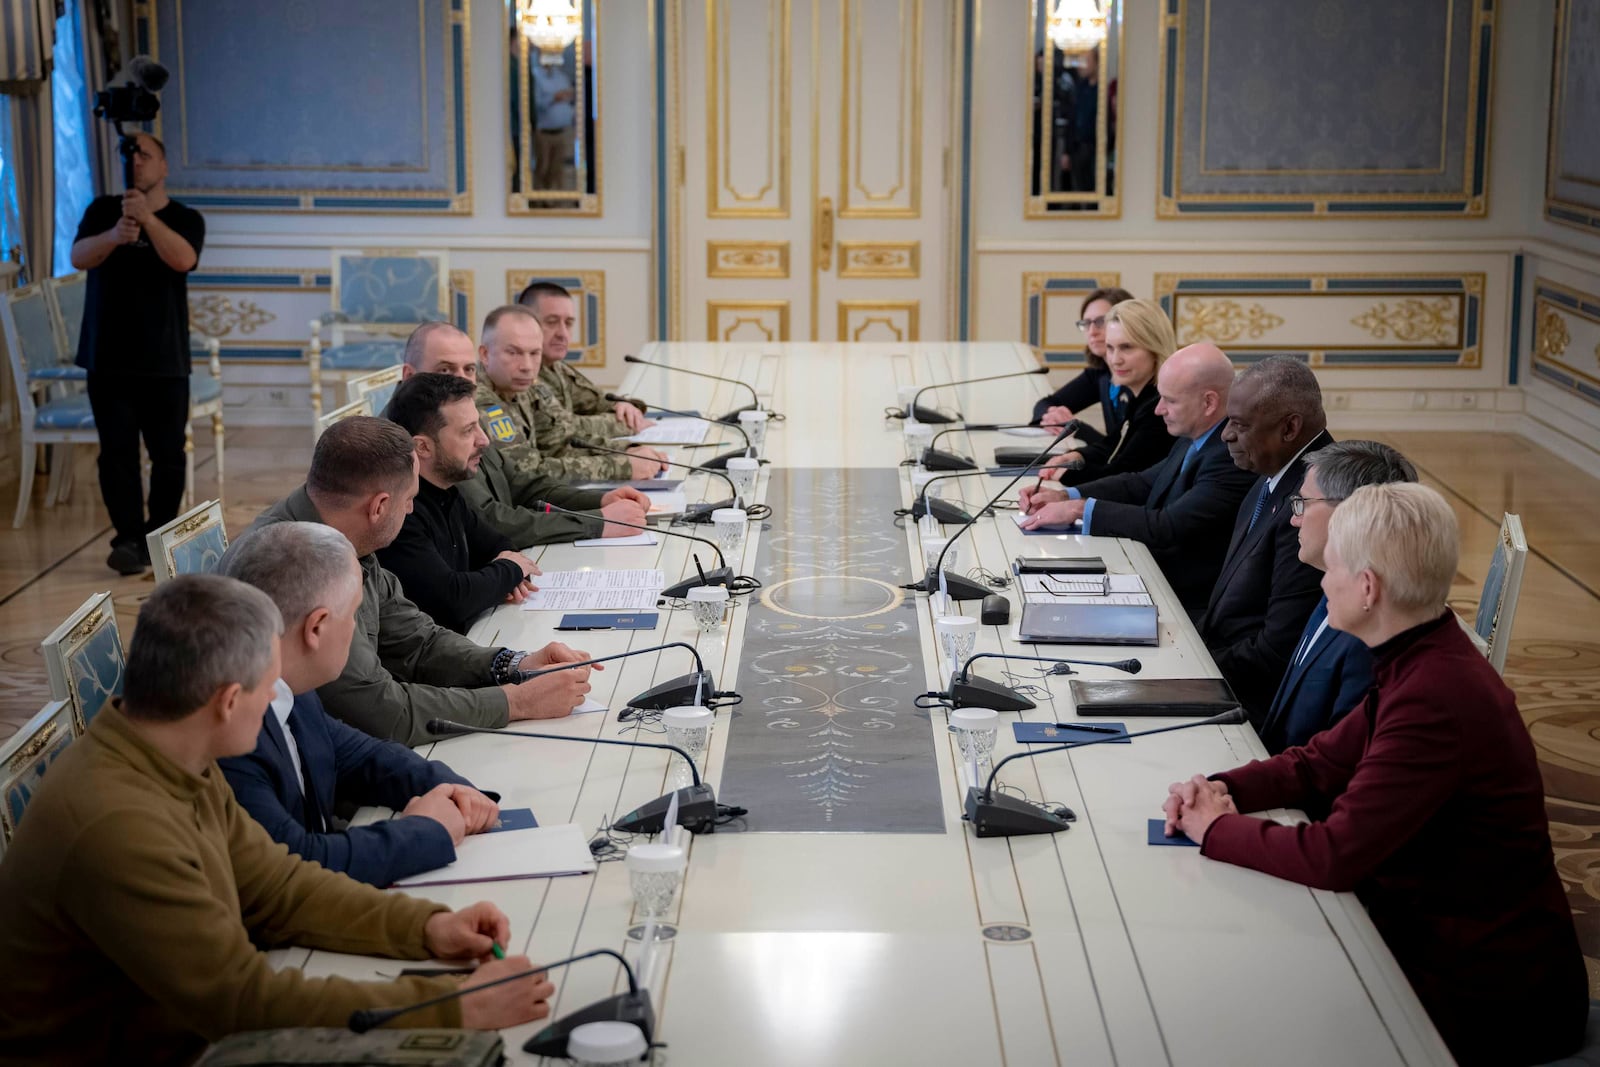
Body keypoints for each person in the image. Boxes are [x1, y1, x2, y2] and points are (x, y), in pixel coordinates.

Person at [0, 575, 555, 1065]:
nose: (279, 698)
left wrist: (425, 927)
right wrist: (451, 1007)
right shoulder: (119, 826)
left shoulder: (171, 751)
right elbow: (240, 1002)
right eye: (270, 686)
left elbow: (277, 885)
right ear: (227, 701)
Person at [1162, 484, 1587, 1066]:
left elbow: (1334, 856)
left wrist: (1214, 830)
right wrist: (1223, 788)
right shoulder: (1422, 654)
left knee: (1243, 1008)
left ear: (1367, 588)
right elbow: (1318, 762)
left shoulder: (1435, 696)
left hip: (1485, 990)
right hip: (1434, 940)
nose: (1320, 581)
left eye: (1331, 567)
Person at [242, 417, 597, 746]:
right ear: (379, 506)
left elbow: (416, 639)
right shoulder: (299, 564)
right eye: (410, 499)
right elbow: (380, 710)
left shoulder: (345, 526)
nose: (412, 511)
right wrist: (515, 702)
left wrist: (512, 665)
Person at [219, 522, 502, 887]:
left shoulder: (289, 681)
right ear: (316, 628)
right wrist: (424, 831)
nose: (356, 627)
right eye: (352, 614)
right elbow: (299, 862)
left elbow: (354, 754)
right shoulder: (232, 729)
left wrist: (451, 789)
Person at [1019, 343, 1256, 613]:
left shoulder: (1230, 454)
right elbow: (1142, 482)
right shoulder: (1198, 435)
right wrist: (1065, 495)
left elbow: (1169, 526)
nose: (1159, 410)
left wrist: (1079, 509)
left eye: (1170, 400)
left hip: (1185, 602)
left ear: (1209, 402)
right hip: (1154, 576)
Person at [68, 133, 205, 576]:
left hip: (165, 359)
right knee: (117, 454)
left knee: (168, 455)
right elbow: (78, 256)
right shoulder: (102, 210)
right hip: (107, 357)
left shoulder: (185, 217)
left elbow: (183, 259)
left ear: (164, 166)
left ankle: (158, 536)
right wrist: (114, 233)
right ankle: (127, 539)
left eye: (146, 155)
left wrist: (147, 220)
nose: (137, 162)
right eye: (130, 155)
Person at [401, 322, 651, 546]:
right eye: (445, 370)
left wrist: (600, 500)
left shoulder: (464, 419)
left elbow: (524, 484)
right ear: (409, 375)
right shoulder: (415, 438)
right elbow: (490, 520)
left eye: (469, 370)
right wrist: (598, 522)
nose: (461, 383)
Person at [1257, 441, 1417, 753]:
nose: (1294, 519)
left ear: (1349, 512)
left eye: (1303, 503)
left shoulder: (1369, 633)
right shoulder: (1334, 585)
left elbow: (1336, 761)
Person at [1198, 356, 1332, 719]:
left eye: (1239, 425)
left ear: (1289, 428)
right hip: (1223, 662)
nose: (1225, 434)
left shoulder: (1312, 505)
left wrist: (1190, 668)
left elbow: (1275, 651)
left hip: (1248, 703)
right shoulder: (1271, 470)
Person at [380, 372, 541, 634]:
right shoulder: (402, 512)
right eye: (468, 431)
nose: (484, 440)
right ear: (422, 447)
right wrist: (508, 572)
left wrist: (504, 573)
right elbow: (452, 600)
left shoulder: (447, 490)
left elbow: (501, 546)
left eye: (478, 425)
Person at [473, 305, 664, 482]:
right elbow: (526, 473)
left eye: (534, 353)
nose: (527, 366)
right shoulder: (481, 401)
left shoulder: (522, 386)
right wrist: (621, 466)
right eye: (513, 353)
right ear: (485, 354)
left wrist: (628, 451)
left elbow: (561, 442)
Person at [1037, 298, 1176, 487]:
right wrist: (1077, 456)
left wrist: (1066, 475)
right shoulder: (1141, 396)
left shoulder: (1160, 406)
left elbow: (1124, 474)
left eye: (1127, 347)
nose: (1115, 360)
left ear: (1154, 348)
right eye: (1110, 348)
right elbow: (1113, 443)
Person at [520, 280, 654, 434]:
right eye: (552, 322)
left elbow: (598, 402)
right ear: (526, 323)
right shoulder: (520, 374)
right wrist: (627, 424)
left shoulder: (557, 368)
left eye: (569, 323)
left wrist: (625, 407)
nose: (563, 334)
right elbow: (561, 429)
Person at [1030, 286, 1133, 432]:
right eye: (1086, 323)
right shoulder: (1099, 375)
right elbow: (1046, 404)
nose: (1092, 332)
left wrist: (1074, 427)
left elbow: (1123, 451)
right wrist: (1053, 417)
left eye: (1100, 322)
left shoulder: (1135, 376)